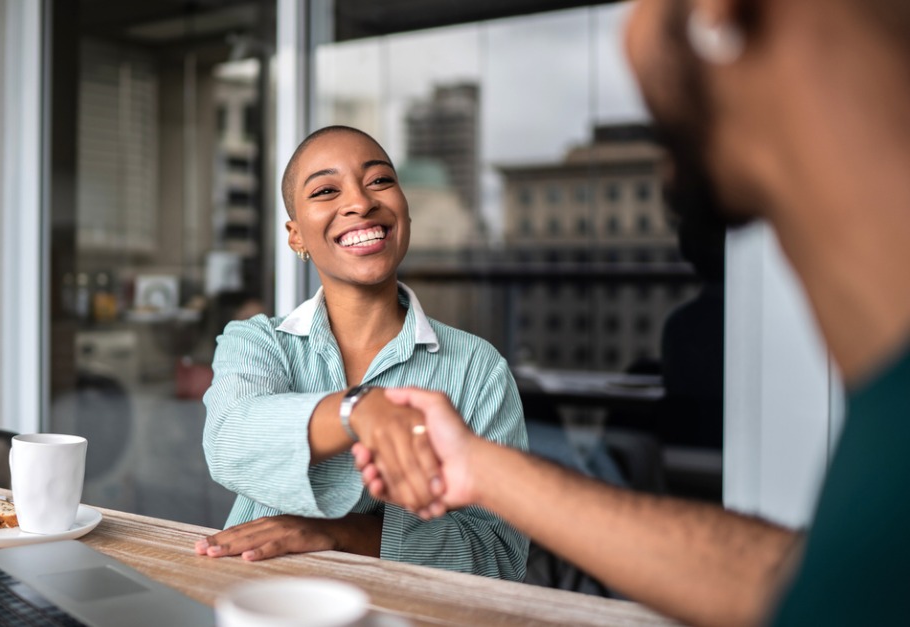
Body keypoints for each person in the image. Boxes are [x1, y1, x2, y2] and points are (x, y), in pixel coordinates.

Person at [356, 0, 910, 624]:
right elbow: (800, 578)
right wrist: (479, 468)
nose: (628, 27)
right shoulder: (886, 451)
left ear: (717, 12)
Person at [196, 126, 530, 580]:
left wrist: (345, 533)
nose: (360, 202)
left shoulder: (477, 368)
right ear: (296, 237)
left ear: (404, 212)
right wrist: (360, 410)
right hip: (257, 600)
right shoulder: (259, 342)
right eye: (327, 190)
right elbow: (229, 443)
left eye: (379, 181)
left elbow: (498, 558)